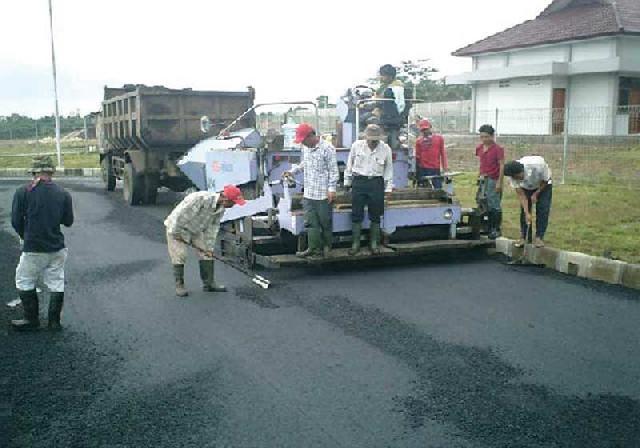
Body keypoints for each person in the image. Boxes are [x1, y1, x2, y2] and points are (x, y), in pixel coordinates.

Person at [10, 155, 74, 331]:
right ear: (51, 172)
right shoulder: (63, 193)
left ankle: (31, 320)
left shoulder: (23, 192)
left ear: (34, 172)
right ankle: (54, 322)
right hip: (57, 247)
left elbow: (15, 221)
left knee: (24, 280)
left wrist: (26, 235)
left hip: (34, 248)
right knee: (56, 281)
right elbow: (68, 221)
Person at [164, 184, 246, 297]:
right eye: (233, 202)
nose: (234, 205)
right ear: (225, 198)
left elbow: (212, 228)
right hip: (178, 227)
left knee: (207, 254)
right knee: (180, 255)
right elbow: (180, 215)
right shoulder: (200, 199)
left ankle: (209, 284)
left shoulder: (221, 209)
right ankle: (180, 285)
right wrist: (175, 232)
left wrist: (209, 248)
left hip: (196, 229)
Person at [283, 123, 339, 258]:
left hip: (323, 194)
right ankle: (314, 248)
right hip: (309, 193)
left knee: (325, 222)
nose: (302, 143)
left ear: (311, 136)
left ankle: (327, 247)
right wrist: (292, 171)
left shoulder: (328, 148)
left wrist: (331, 189)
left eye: (303, 140)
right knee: (310, 222)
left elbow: (333, 171)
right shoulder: (305, 148)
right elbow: (304, 164)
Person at [344, 124, 394, 255]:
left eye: (375, 138)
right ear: (365, 137)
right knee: (356, 213)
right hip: (359, 182)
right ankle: (355, 244)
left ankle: (374, 243)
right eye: (370, 138)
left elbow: (389, 169)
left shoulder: (385, 149)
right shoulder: (357, 146)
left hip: (376, 183)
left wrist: (388, 188)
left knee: (376, 214)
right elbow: (349, 165)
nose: (373, 141)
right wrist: (347, 182)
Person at [503, 156, 553, 248]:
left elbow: (546, 180)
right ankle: (525, 238)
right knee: (524, 212)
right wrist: (527, 213)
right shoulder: (512, 177)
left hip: (543, 185)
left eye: (518, 177)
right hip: (526, 188)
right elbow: (521, 195)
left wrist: (536, 193)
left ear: (522, 171)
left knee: (543, 209)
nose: (517, 179)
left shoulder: (538, 165)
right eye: (514, 178)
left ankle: (539, 238)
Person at [476, 124, 505, 239]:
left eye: (487, 137)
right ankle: (486, 226)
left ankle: (496, 228)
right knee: (482, 201)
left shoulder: (498, 149)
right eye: (482, 137)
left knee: (494, 204)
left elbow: (502, 165)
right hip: (483, 178)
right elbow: (481, 162)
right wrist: (479, 175)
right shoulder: (479, 148)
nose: (484, 139)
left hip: (493, 178)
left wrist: (499, 182)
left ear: (492, 136)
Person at [376, 64, 405, 149]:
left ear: (389, 76)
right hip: (392, 116)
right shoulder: (391, 86)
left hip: (390, 117)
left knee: (367, 118)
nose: (381, 78)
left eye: (383, 75)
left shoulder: (394, 88)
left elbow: (398, 104)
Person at [415, 119, 448, 189]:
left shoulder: (439, 139)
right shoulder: (419, 141)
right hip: (423, 169)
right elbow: (417, 157)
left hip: (435, 168)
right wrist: (417, 172)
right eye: (423, 130)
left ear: (430, 127)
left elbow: (443, 154)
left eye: (426, 129)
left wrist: (445, 168)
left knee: (437, 188)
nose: (425, 132)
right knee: (423, 188)